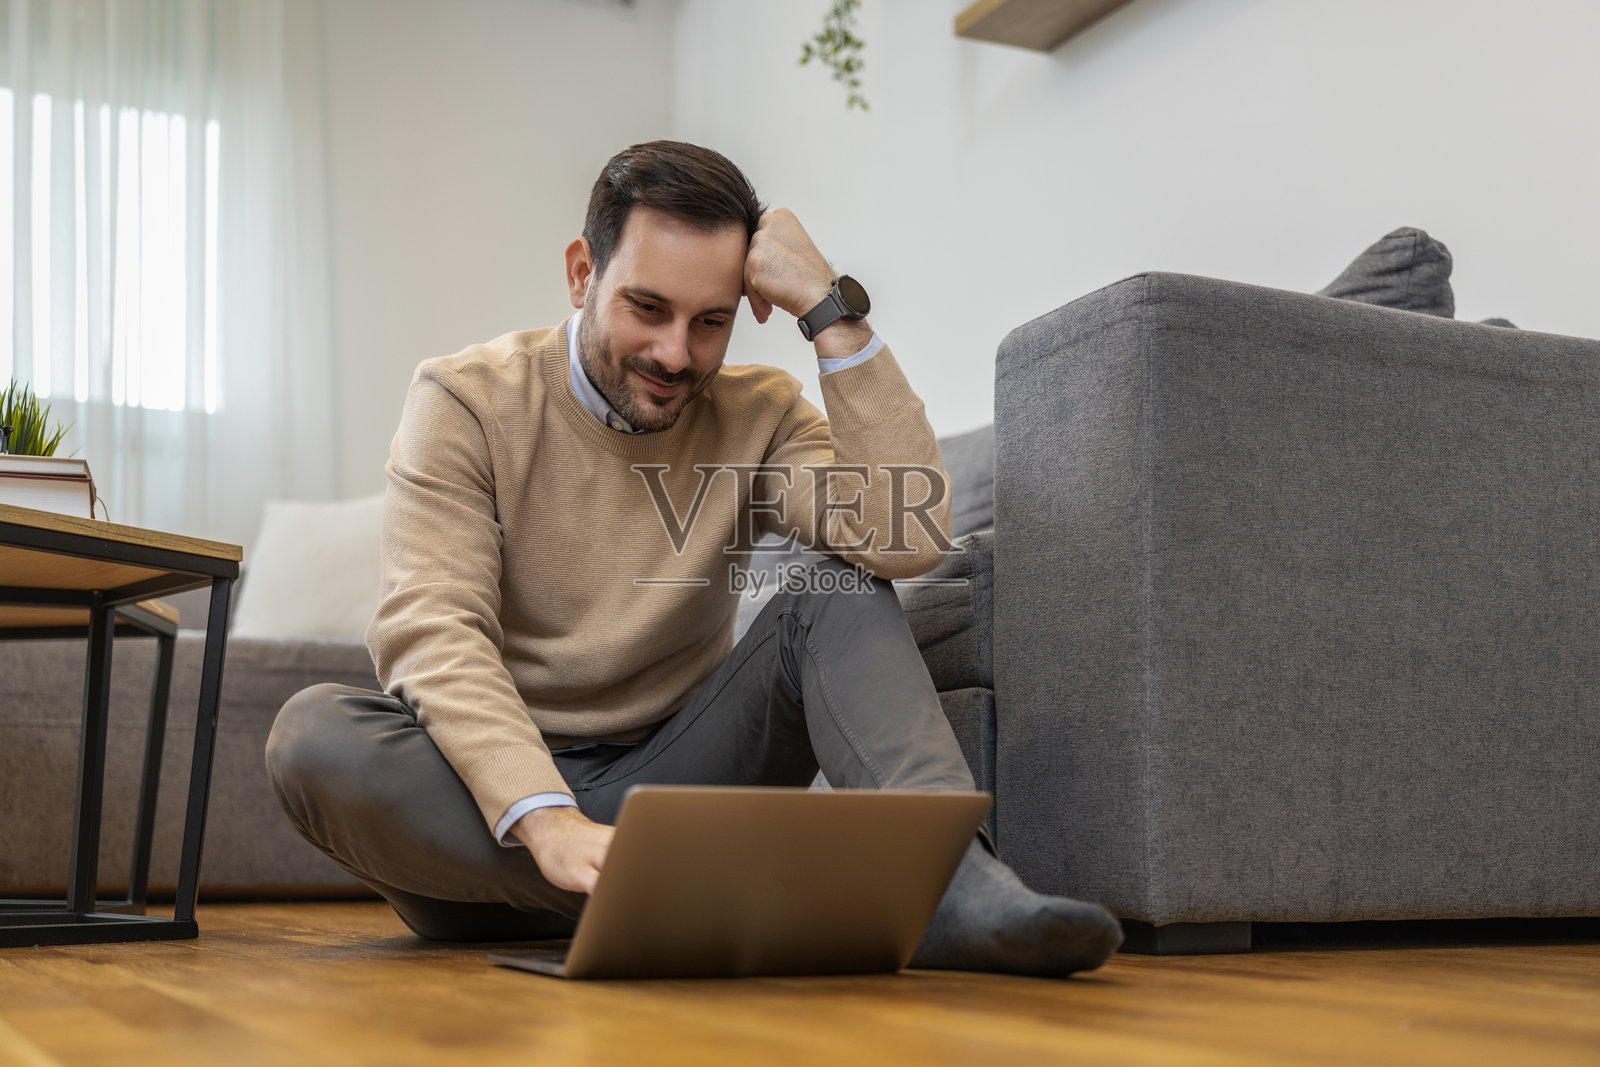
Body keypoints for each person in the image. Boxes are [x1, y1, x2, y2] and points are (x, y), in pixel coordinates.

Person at [266, 140, 1122, 976]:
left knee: (836, 588)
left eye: (709, 322)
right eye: (647, 307)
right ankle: (713, 896)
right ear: (580, 274)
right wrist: (549, 821)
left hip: (672, 783)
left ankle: (948, 887)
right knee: (314, 734)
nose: (677, 355)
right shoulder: (465, 399)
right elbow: (434, 628)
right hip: (495, 817)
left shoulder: (761, 413)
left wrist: (830, 308)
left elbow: (909, 538)